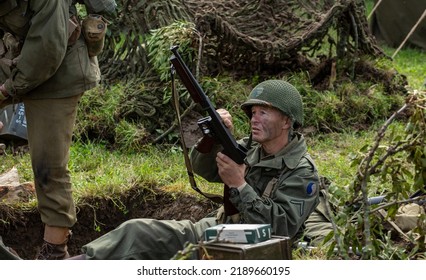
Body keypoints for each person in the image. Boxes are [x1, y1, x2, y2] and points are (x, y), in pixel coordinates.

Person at [70, 79, 320, 260]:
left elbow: (280, 229)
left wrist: (240, 185)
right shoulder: (250, 147)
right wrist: (213, 137)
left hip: (256, 250)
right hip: (220, 228)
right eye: (253, 112)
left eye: (263, 112)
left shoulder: (302, 171)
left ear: (287, 121)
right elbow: (204, 170)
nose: (254, 119)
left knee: (154, 249)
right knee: (137, 232)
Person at [0, 0, 101, 259]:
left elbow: (47, 50)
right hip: (15, 58)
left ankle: (55, 252)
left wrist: (6, 91)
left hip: (58, 70)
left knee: (48, 165)